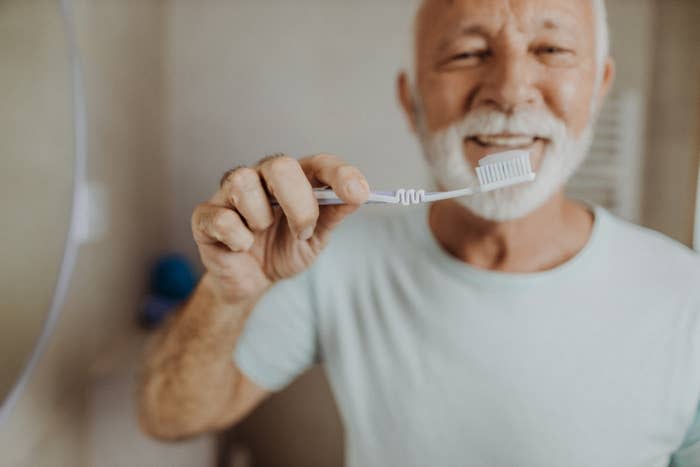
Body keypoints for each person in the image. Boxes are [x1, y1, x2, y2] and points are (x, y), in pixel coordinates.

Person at [138, 0, 700, 465]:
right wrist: (228, 293)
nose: (509, 90)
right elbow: (167, 416)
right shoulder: (326, 261)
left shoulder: (686, 297)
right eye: (468, 53)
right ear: (412, 102)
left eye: (551, 50)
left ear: (599, 87)